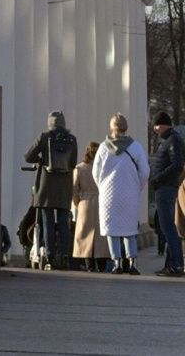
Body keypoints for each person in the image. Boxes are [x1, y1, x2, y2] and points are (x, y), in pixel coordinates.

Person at [92, 113, 150, 274]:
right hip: (130, 194)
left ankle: (117, 263)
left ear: (111, 128)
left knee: (112, 229)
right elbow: (145, 171)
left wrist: (102, 186)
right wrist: (137, 186)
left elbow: (95, 172)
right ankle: (132, 263)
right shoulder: (136, 147)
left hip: (109, 195)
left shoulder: (104, 147)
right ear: (126, 128)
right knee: (130, 229)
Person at [24, 111, 78, 269]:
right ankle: (64, 255)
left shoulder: (44, 137)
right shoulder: (72, 139)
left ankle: (50, 255)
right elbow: (73, 162)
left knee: (47, 221)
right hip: (64, 186)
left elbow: (28, 156)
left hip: (46, 184)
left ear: (50, 123)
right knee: (63, 221)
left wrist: (41, 160)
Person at [148, 111, 184, 276]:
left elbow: (177, 165)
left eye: (156, 125)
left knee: (168, 228)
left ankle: (176, 265)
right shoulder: (167, 140)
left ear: (163, 124)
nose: (154, 129)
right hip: (164, 188)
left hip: (166, 188)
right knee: (168, 228)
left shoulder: (173, 139)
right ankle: (171, 264)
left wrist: (158, 179)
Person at [72, 141, 108, 272]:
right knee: (102, 237)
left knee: (85, 236)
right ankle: (102, 265)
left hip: (85, 202)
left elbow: (74, 190)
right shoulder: (104, 168)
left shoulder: (80, 168)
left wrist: (78, 204)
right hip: (101, 202)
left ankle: (89, 266)